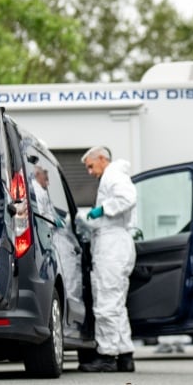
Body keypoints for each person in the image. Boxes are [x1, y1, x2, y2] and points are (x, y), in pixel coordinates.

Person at [78, 146, 138, 373]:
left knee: (106, 303)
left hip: (112, 247)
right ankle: (124, 355)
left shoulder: (112, 174)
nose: (90, 172)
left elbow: (127, 198)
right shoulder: (114, 175)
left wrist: (99, 210)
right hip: (118, 244)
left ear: (102, 159)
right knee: (117, 304)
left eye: (91, 166)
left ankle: (107, 356)